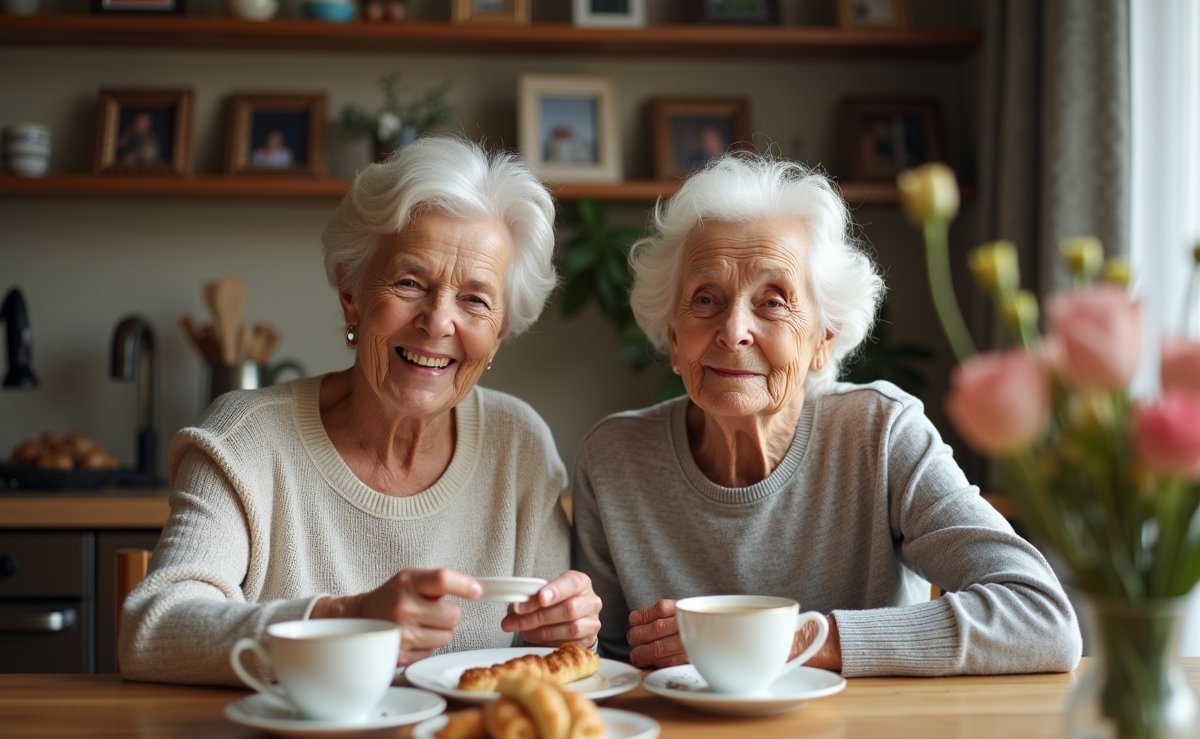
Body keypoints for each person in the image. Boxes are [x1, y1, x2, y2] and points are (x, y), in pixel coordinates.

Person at [570, 153, 1082, 677]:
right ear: (675, 339)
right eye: (705, 299)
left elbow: (1041, 618)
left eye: (773, 302)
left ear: (823, 341)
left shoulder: (881, 434)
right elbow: (599, 664)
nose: (733, 330)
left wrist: (785, 641)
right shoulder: (614, 459)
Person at [121, 136, 601, 685]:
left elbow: (549, 658)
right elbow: (151, 631)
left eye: (475, 299)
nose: (437, 322)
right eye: (410, 283)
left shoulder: (518, 444)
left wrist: (569, 630)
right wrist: (344, 621)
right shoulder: (246, 439)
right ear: (351, 293)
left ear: (501, 330)